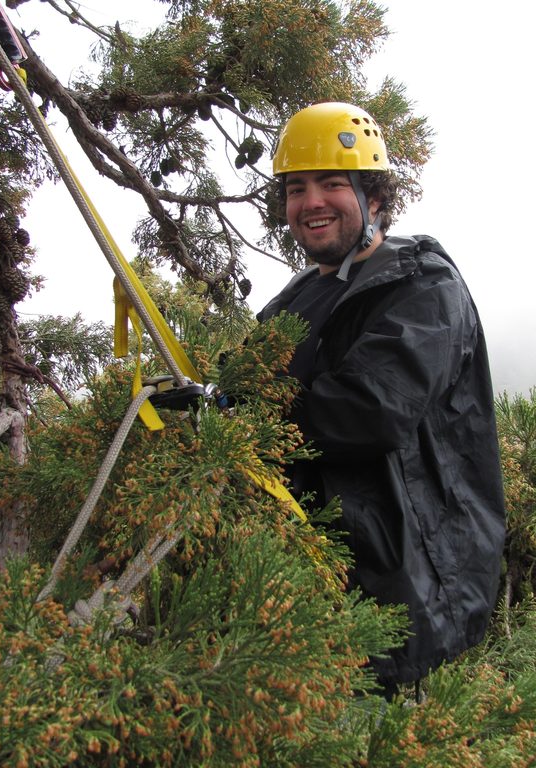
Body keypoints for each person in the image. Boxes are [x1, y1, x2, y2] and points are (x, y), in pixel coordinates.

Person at [258, 101, 506, 694]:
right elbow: (249, 377)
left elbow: (371, 410)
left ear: (372, 195)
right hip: (315, 584)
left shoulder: (422, 285)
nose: (310, 202)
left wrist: (241, 412)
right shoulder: (295, 299)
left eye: (333, 183)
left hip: (404, 596)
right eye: (296, 188)